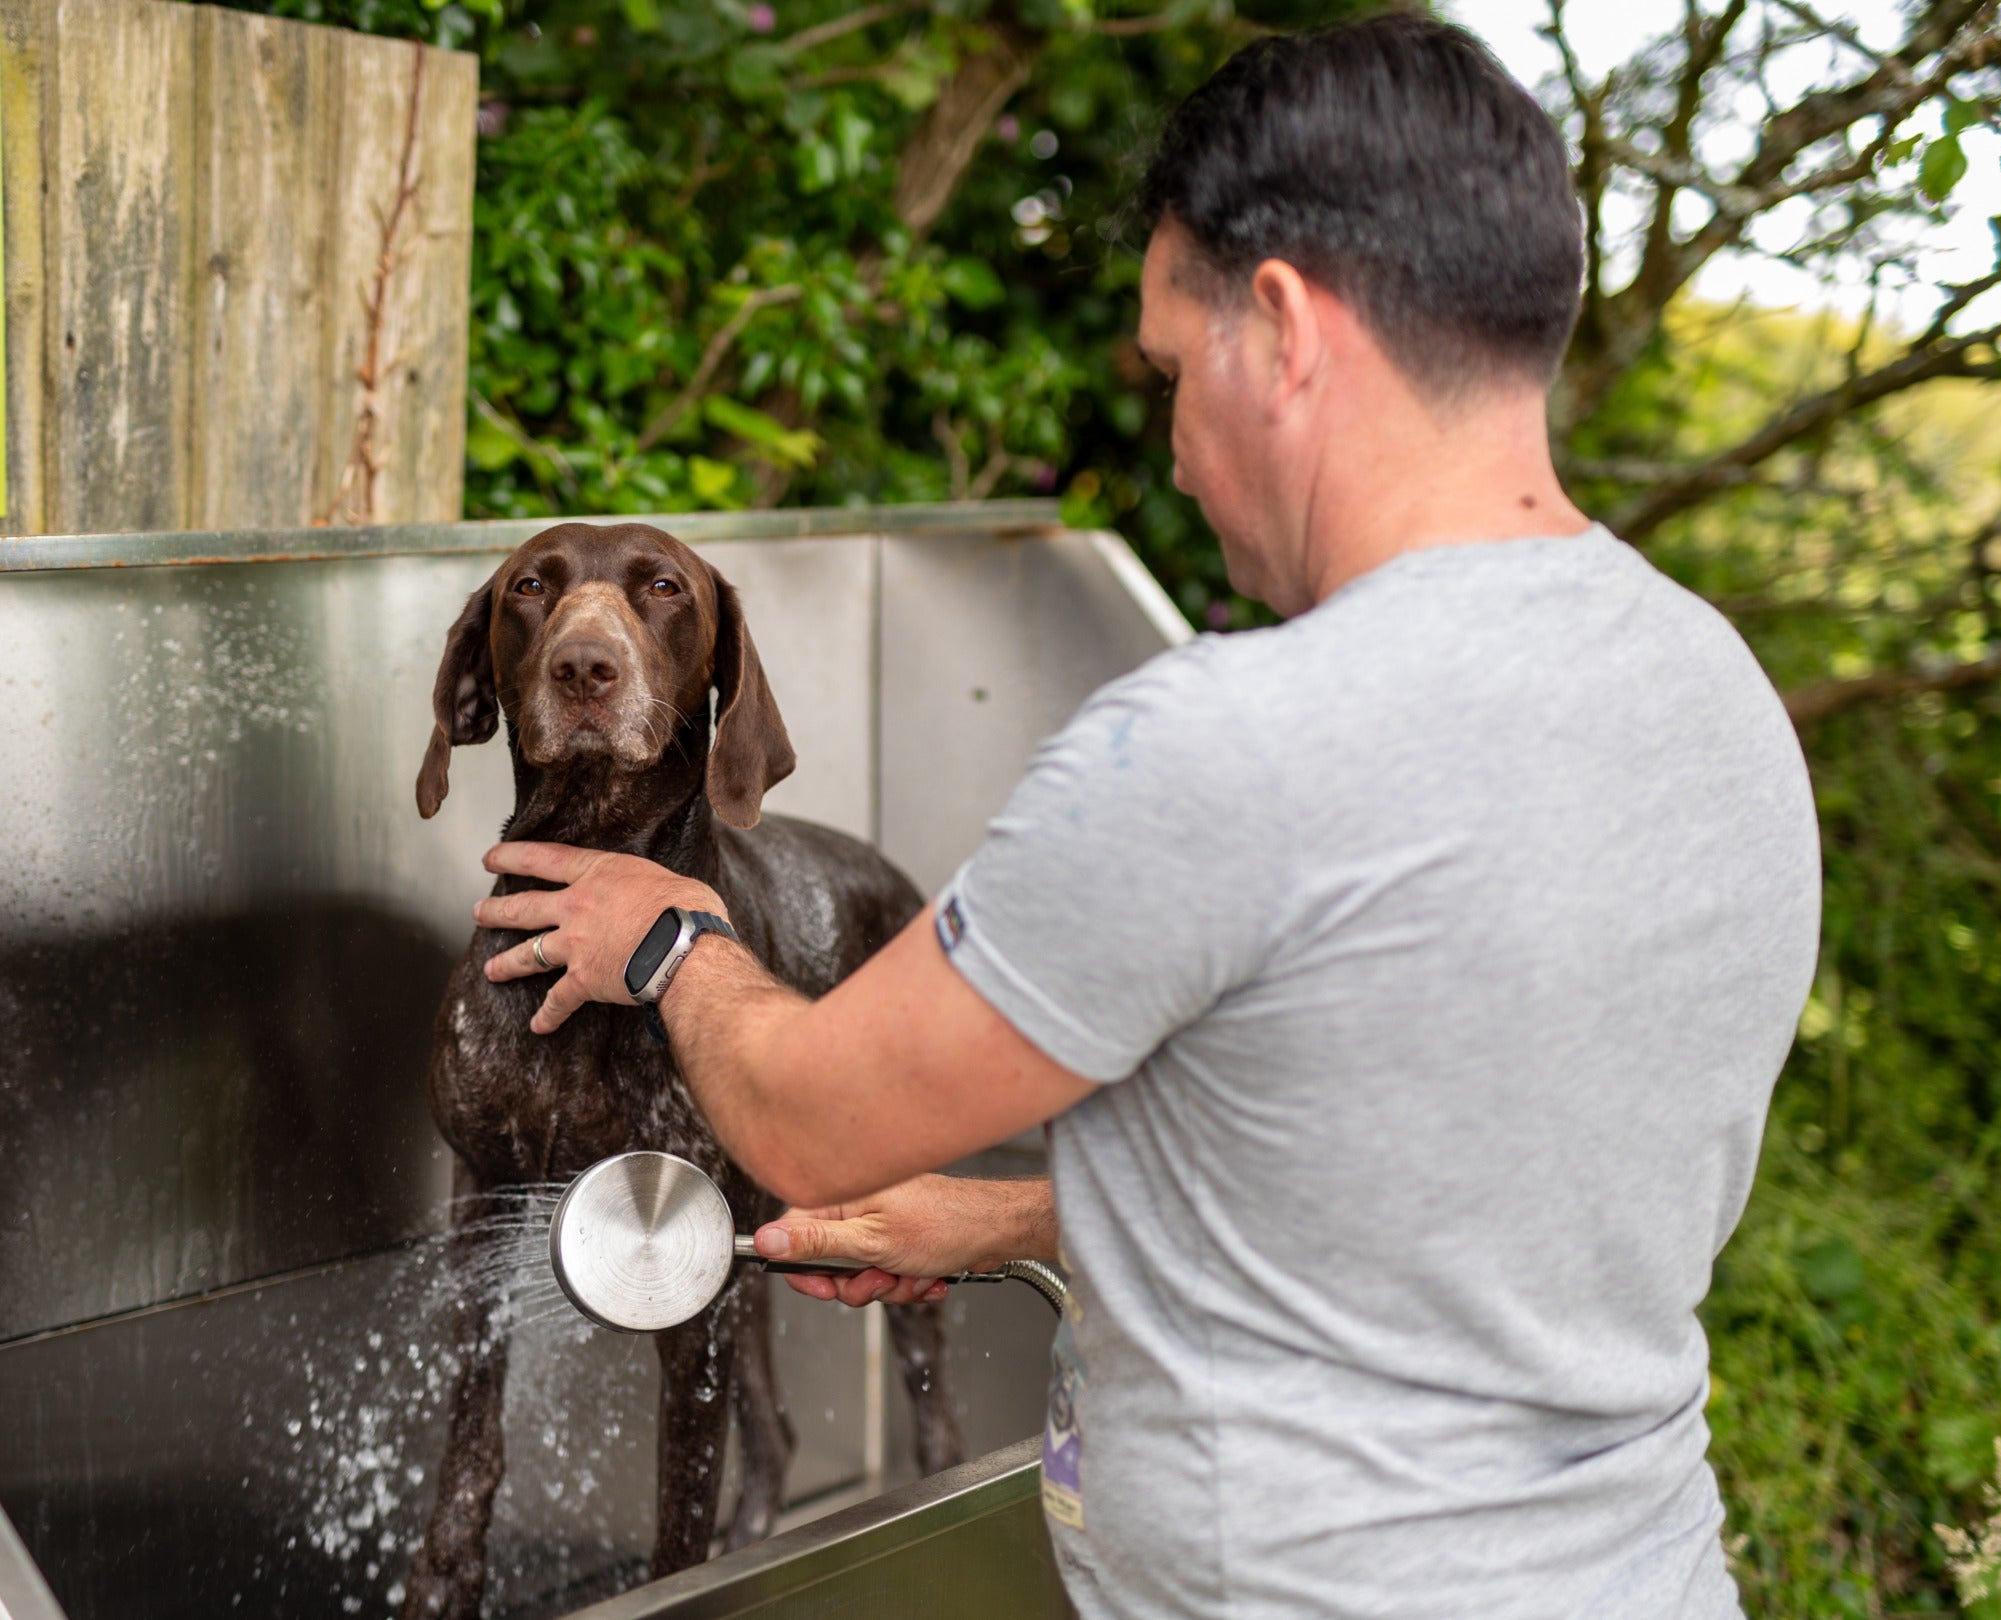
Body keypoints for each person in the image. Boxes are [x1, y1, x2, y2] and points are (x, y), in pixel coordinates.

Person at [469, 12, 1819, 1617]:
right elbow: (1427, 1200)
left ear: (1284, 325)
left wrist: (672, 937)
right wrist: (997, 1221)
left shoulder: (1230, 745)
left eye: (1174, 373)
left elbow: (809, 1122)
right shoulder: (1710, 693)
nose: (1173, 451)